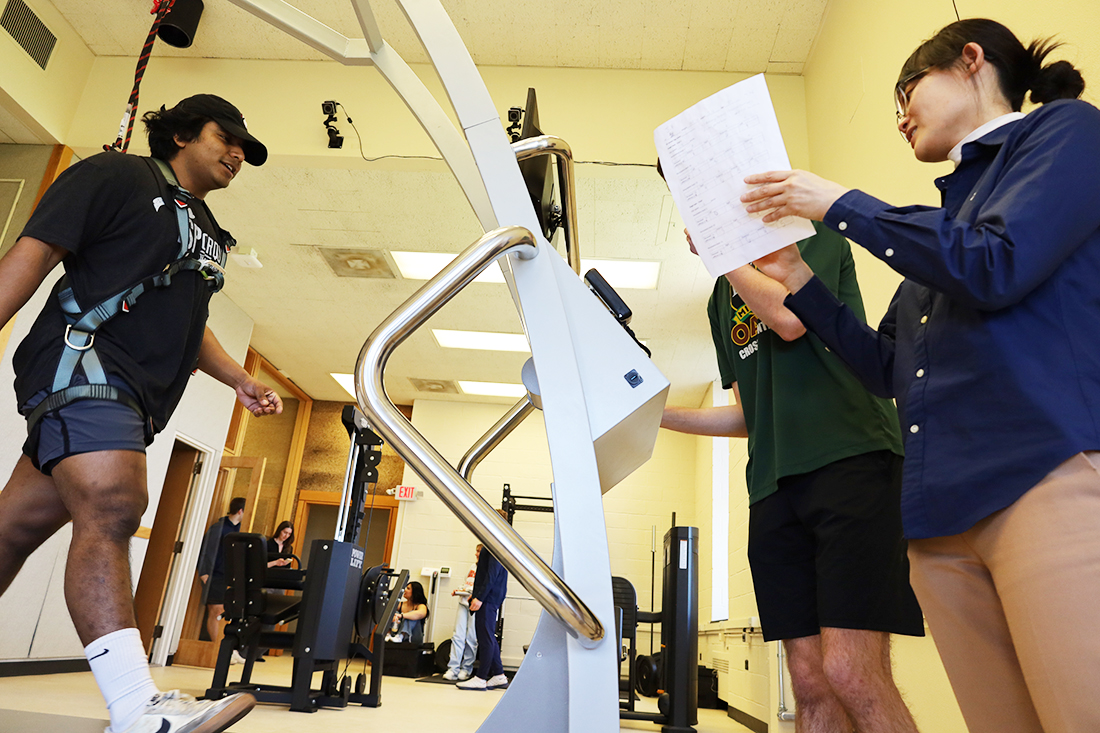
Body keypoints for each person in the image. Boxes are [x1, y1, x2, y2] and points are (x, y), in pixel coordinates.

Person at [740, 18, 1100, 733]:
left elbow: (993, 263)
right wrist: (800, 276)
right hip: (939, 525)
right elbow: (881, 368)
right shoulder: (945, 228)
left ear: (971, 61)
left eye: (907, 91)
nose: (900, 115)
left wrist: (837, 204)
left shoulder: (1065, 133)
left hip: (1039, 478)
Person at [0, 94, 281, 733]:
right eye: (226, 138)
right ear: (181, 133)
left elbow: (190, 318)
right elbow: (34, 253)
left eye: (246, 151)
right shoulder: (117, 176)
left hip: (136, 395)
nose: (238, 155)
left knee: (10, 532)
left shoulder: (210, 232)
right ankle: (137, 707)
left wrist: (239, 378)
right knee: (113, 504)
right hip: (84, 363)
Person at [659, 159, 923, 732]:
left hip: (852, 459)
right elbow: (753, 416)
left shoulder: (808, 237)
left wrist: (723, 255)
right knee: (807, 683)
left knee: (851, 672)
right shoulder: (718, 301)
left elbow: (788, 318)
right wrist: (658, 416)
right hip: (773, 487)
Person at [457, 519, 509, 692]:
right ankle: (499, 675)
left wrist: (480, 597)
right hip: (488, 596)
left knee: (485, 637)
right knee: (488, 636)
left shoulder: (495, 542)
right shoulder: (496, 541)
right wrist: (477, 594)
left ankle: (480, 678)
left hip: (489, 598)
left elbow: (491, 575)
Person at [197, 496, 247, 647]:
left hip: (229, 577)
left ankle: (224, 648)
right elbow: (206, 549)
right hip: (215, 574)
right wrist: (204, 572)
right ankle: (217, 648)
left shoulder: (240, 530)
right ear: (240, 511)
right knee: (216, 610)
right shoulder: (219, 527)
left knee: (225, 612)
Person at [442, 544, 481, 681]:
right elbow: (467, 584)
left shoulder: (486, 569)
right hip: (463, 602)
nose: (476, 554)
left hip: (474, 606)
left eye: (479, 552)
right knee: (457, 635)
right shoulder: (472, 566)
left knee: (471, 637)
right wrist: (459, 590)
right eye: (476, 551)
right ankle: (453, 668)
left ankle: (466, 669)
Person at [388, 580, 430, 644]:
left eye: (408, 588)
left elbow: (421, 613)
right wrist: (394, 617)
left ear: (414, 592)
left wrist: (402, 616)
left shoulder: (421, 606)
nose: (405, 590)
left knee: (410, 616)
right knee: (395, 614)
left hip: (413, 637)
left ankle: (401, 635)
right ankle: (389, 634)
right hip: (395, 634)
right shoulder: (400, 605)